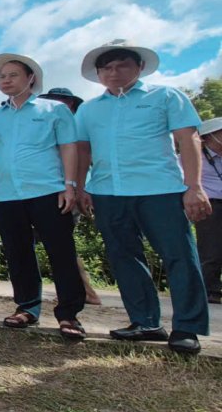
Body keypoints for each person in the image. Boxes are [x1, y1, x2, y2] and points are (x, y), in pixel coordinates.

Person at [76, 40, 211, 354]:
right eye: (106, 68)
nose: (114, 73)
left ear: (139, 67)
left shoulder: (165, 96)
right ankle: (145, 321)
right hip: (108, 191)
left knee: (179, 256)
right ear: (98, 74)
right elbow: (82, 150)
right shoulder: (88, 109)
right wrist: (81, 187)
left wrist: (194, 186)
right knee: (124, 258)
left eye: (122, 65)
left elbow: (188, 138)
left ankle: (187, 327)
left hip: (160, 190)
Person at [0, 53, 87, 341]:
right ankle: (27, 307)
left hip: (48, 190)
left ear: (31, 78)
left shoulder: (54, 110)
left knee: (61, 252)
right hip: (7, 194)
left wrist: (70, 185)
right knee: (18, 251)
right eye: (2, 76)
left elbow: (68, 147)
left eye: (13, 75)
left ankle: (69, 314)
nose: (6, 80)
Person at [37, 87, 102, 306]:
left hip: (69, 189)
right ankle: (83, 290)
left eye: (61, 100)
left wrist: (80, 189)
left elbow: (85, 158)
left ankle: (83, 292)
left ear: (72, 103)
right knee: (57, 241)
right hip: (47, 188)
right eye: (52, 100)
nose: (56, 103)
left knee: (61, 241)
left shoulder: (76, 126)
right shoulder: (47, 123)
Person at [196, 117, 222, 304]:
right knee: (211, 250)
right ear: (210, 136)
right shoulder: (194, 157)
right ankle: (209, 289)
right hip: (209, 205)